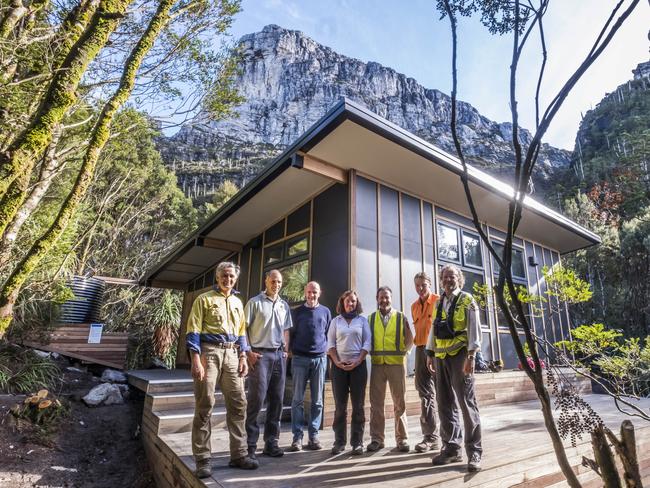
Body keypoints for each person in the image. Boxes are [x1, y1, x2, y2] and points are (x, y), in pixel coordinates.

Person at [186, 261, 258, 478]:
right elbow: (193, 330)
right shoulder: (203, 299)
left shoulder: (238, 302)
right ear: (217, 277)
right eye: (224, 276)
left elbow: (242, 332)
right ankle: (203, 459)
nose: (228, 279)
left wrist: (244, 357)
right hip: (209, 353)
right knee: (205, 403)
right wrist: (195, 360)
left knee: (238, 403)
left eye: (231, 277)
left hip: (233, 355)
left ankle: (239, 454)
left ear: (235, 279)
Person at [426, 264, 483, 473]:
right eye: (445, 277)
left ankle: (474, 451)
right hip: (441, 357)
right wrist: (430, 354)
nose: (448, 280)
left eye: (452, 277)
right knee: (444, 404)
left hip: (461, 356)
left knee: (467, 404)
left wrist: (471, 356)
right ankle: (451, 448)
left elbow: (474, 331)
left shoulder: (467, 300)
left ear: (459, 279)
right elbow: (433, 329)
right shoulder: (439, 302)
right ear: (441, 281)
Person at [244, 269, 293, 459]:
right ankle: (250, 446)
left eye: (279, 282)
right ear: (266, 281)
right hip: (260, 356)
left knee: (277, 401)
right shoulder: (254, 303)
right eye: (273, 281)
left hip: (279, 357)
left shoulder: (284, 305)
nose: (276, 284)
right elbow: (243, 328)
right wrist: (248, 352)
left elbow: (286, 330)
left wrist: (285, 351)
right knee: (256, 400)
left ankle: (271, 443)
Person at [367, 286, 414, 453]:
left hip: (396, 364)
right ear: (377, 299)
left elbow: (410, 339)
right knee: (376, 404)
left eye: (386, 297)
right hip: (377, 365)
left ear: (391, 298)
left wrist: (404, 353)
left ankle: (402, 439)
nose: (384, 300)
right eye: (381, 297)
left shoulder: (401, 317)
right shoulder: (370, 318)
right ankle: (376, 439)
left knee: (399, 403)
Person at [288, 281, 331, 451]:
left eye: (314, 292)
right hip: (299, 359)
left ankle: (313, 436)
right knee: (297, 400)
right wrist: (291, 352)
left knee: (317, 401)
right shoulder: (297, 312)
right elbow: (290, 334)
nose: (311, 295)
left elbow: (327, 333)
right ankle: (297, 437)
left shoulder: (326, 312)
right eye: (309, 292)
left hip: (319, 360)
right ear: (305, 293)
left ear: (319, 293)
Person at [327, 290, 371, 455]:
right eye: (348, 301)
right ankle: (339, 442)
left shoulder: (362, 321)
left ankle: (357, 442)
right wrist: (337, 361)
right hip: (339, 368)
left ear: (356, 303)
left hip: (358, 367)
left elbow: (367, 342)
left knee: (358, 406)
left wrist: (358, 360)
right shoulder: (335, 321)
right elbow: (330, 343)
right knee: (340, 407)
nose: (350, 304)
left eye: (353, 301)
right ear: (342, 303)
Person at [410, 271, 441, 453]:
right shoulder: (414, 306)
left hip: (437, 350)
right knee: (425, 394)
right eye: (417, 285)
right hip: (420, 349)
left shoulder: (439, 301)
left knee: (443, 393)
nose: (420, 288)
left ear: (429, 284)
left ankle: (449, 436)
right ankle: (430, 437)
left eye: (423, 285)